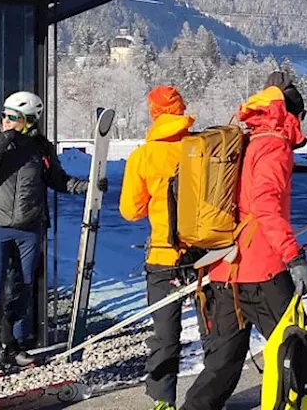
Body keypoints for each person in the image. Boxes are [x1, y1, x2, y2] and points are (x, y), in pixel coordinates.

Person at [181, 73, 307, 410]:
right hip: (262, 270)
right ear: (293, 115)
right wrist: (294, 257)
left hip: (225, 270)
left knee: (223, 363)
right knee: (293, 351)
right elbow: (266, 207)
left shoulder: (249, 139)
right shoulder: (274, 147)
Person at [0, 90, 99, 375]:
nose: (7, 121)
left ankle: (13, 346)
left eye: (14, 118)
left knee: (23, 289)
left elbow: (57, 180)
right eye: (5, 115)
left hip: (29, 228)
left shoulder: (40, 147)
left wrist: (89, 186)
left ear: (30, 120)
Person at [121, 85, 196, 410]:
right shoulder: (200, 147)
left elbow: (130, 210)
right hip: (209, 255)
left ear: (153, 114)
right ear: (182, 110)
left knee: (165, 336)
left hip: (164, 257)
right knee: (215, 335)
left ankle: (163, 401)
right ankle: (209, 397)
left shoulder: (144, 155)